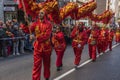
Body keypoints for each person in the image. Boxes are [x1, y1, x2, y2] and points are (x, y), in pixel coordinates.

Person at [23, 9, 52, 80]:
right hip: (37, 47)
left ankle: (47, 76)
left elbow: (47, 36)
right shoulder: (35, 24)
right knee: (36, 65)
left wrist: (35, 37)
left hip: (46, 47)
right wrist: (26, 22)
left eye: (41, 13)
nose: (39, 14)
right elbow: (27, 30)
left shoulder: (49, 24)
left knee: (47, 64)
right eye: (39, 13)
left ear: (44, 15)